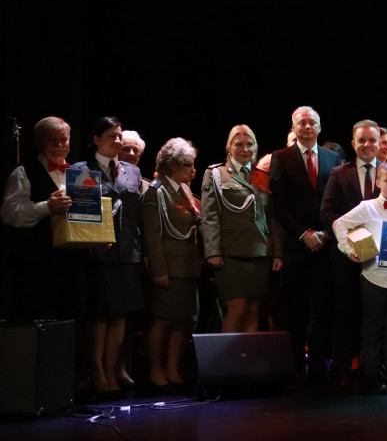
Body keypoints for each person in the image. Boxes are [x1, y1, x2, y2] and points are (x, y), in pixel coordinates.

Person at [68, 117, 145, 396]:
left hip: (128, 252)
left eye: (119, 135)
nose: (117, 141)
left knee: (120, 315)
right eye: (111, 136)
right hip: (98, 253)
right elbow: (80, 217)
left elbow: (137, 216)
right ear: (96, 139)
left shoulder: (132, 172)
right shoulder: (81, 170)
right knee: (100, 314)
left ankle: (113, 370)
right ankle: (97, 371)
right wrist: (94, 242)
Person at [332, 161, 387, 394]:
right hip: (374, 276)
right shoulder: (368, 207)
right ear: (378, 182)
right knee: (372, 327)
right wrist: (348, 250)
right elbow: (339, 224)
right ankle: (371, 374)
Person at [269, 106, 342, 379]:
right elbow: (279, 204)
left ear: (320, 127)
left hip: (325, 245)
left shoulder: (333, 157)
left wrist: (323, 232)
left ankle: (320, 363)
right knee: (294, 308)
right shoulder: (281, 157)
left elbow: (335, 200)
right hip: (295, 245)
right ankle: (294, 364)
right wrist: (304, 234)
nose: (308, 127)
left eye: (312, 123)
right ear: (294, 128)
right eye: (302, 123)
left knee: (323, 307)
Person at [1, 116, 84, 324]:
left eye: (63, 140)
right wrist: (46, 207)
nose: (59, 145)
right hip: (38, 267)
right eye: (51, 140)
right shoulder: (23, 172)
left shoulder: (79, 175)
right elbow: (10, 213)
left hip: (73, 267)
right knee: (41, 325)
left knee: (71, 325)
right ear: (39, 142)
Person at [201, 125, 283, 333]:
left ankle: (247, 362)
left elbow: (271, 218)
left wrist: (277, 253)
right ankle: (228, 363)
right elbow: (209, 216)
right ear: (229, 147)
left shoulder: (261, 176)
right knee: (237, 308)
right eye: (239, 144)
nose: (245, 149)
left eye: (250, 145)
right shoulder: (216, 174)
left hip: (260, 253)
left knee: (254, 309)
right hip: (230, 253)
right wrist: (213, 251)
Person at [320, 120, 382, 382]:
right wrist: (353, 238)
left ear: (380, 142)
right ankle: (343, 367)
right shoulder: (338, 173)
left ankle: (374, 367)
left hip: (380, 256)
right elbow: (327, 212)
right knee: (346, 311)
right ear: (353, 142)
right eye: (362, 140)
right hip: (347, 256)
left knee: (377, 315)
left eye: (372, 140)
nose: (367, 145)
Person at [141, 138, 201, 389]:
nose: (193, 170)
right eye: (187, 165)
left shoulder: (184, 190)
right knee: (162, 319)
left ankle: (172, 368)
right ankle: (156, 369)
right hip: (168, 269)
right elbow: (152, 236)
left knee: (183, 320)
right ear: (172, 166)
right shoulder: (156, 192)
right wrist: (159, 270)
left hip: (188, 267)